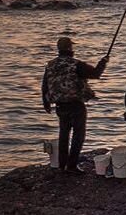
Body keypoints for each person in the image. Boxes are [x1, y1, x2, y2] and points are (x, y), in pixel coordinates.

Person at [42, 37, 108, 174]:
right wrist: (103, 62)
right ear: (70, 48)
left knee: (63, 134)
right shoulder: (76, 64)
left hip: (60, 105)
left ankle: (62, 165)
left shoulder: (50, 65)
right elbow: (95, 74)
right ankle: (71, 166)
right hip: (76, 105)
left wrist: (46, 103)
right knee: (79, 135)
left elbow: (45, 85)